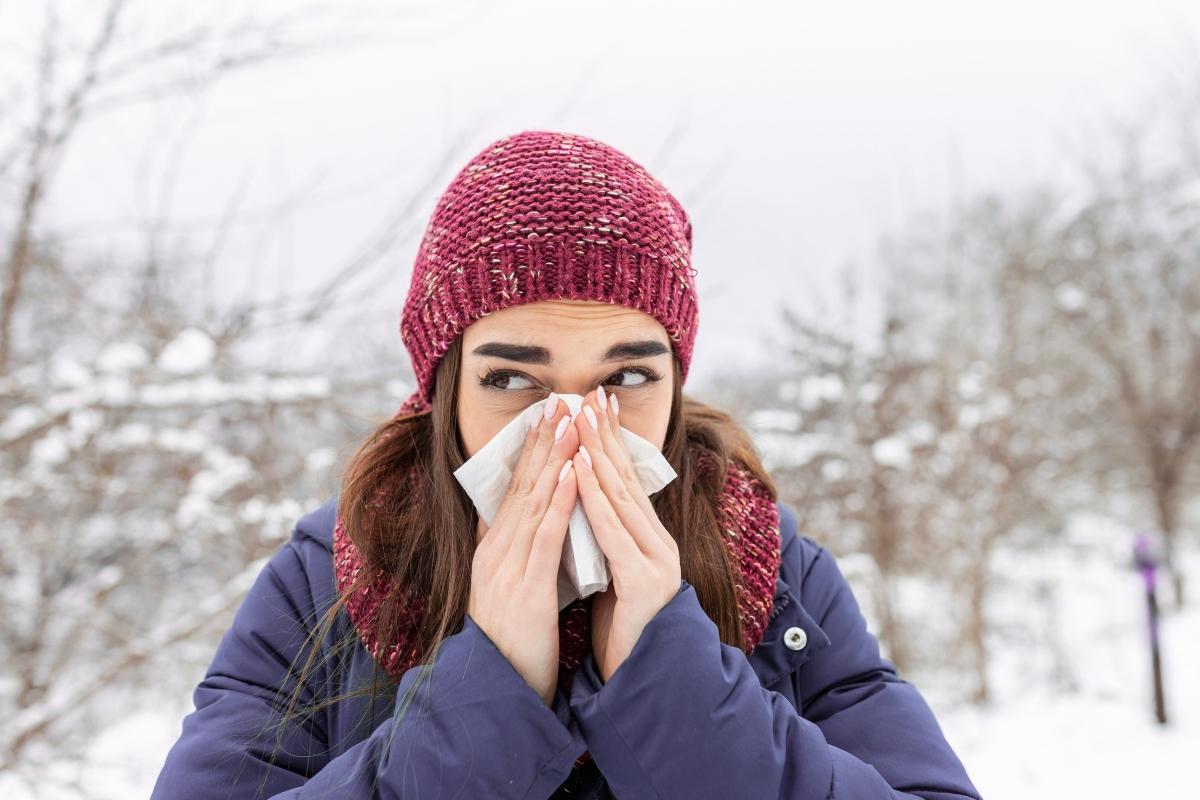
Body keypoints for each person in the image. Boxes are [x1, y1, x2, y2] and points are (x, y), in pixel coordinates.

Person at [150, 130, 982, 799]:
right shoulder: (333, 576)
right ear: (444, 390)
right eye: (513, 379)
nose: (577, 430)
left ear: (676, 381)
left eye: (626, 378)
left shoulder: (771, 567)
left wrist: (676, 686)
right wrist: (483, 701)